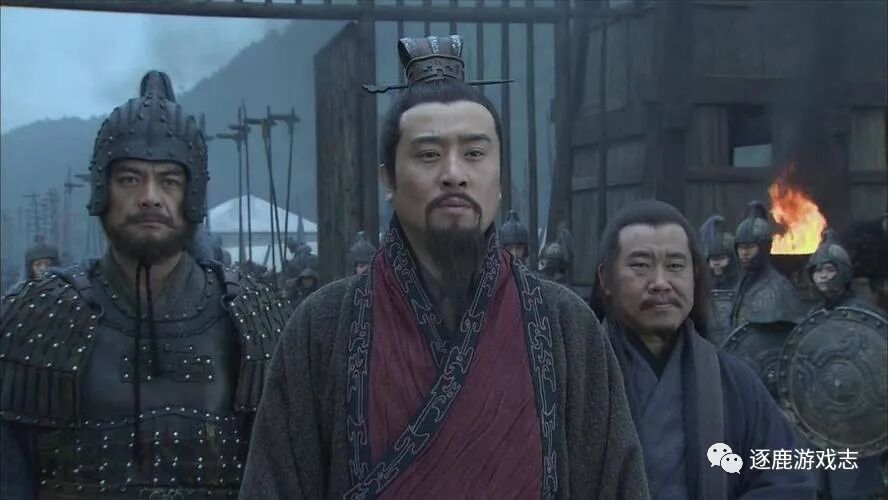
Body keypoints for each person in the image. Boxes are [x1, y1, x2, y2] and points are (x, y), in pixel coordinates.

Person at [239, 35, 647, 499]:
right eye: (429, 154)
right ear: (388, 178)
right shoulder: (323, 327)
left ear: (499, 177)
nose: (454, 173)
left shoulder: (566, 326)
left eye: (474, 153)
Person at [0, 71, 291, 499]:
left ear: (192, 195)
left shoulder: (253, 317)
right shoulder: (38, 317)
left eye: (169, 181)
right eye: (129, 179)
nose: (150, 196)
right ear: (102, 190)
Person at [590, 199, 816, 500]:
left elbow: (788, 482)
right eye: (641, 265)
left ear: (694, 275)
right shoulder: (576, 380)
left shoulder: (735, 383)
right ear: (606, 279)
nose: (660, 283)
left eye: (675, 266)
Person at [730, 201, 804, 330]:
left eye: (750, 247)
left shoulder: (780, 288)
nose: (744, 253)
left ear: (764, 248)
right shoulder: (741, 285)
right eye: (741, 247)